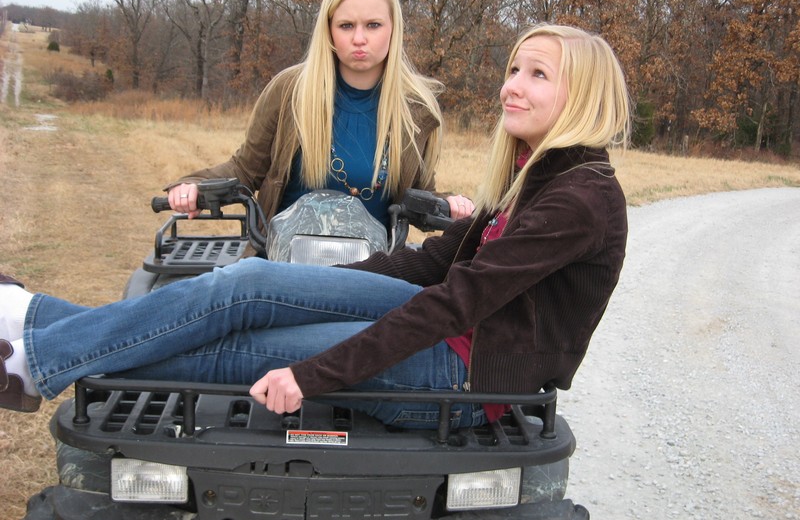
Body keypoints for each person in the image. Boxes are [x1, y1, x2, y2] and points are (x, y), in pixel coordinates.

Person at [0, 24, 629, 429]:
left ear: (584, 96)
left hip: (466, 372)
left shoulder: (581, 199)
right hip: (448, 322)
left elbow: (456, 301)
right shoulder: (534, 173)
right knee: (248, 283)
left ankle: (36, 353)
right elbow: (434, 264)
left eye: (537, 75)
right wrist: (316, 287)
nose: (510, 87)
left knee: (230, 353)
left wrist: (312, 376)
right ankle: (34, 322)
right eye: (514, 69)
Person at [165, 0, 474, 234]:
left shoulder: (416, 108)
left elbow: (420, 197)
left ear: (394, 29)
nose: (359, 39)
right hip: (284, 262)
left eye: (373, 25)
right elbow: (245, 171)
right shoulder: (290, 91)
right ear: (328, 30)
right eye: (346, 26)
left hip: (370, 270)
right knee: (215, 293)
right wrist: (191, 185)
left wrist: (450, 203)